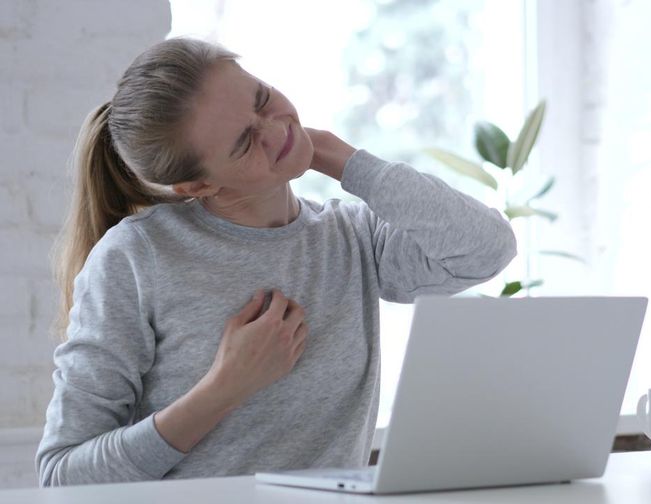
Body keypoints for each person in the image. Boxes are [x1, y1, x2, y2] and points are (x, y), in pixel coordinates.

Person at [35, 38, 516, 487]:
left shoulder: (352, 238)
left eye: (262, 99)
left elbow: (487, 248)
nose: (276, 130)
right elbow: (62, 474)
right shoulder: (137, 258)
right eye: (244, 142)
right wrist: (224, 388)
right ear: (198, 187)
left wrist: (344, 160)